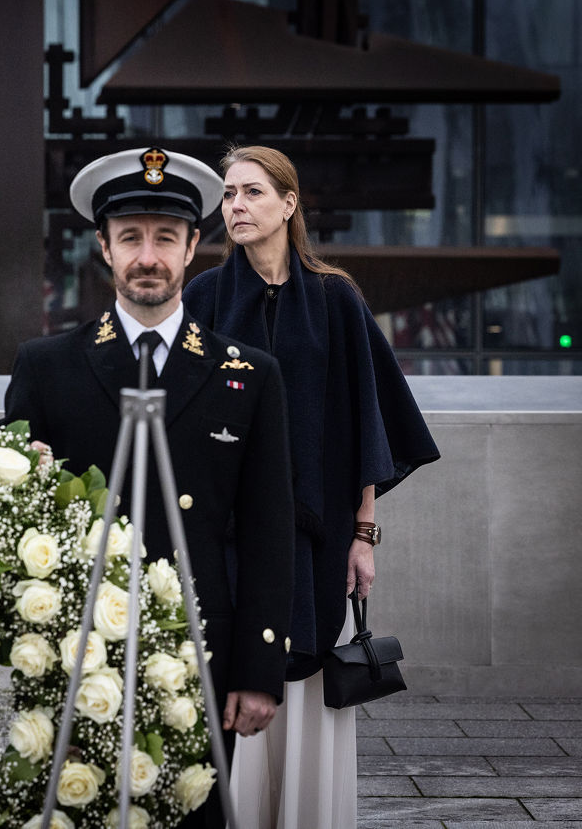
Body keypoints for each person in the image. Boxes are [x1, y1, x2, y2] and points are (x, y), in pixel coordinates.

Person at [3, 146, 296, 828]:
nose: (148, 256)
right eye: (130, 237)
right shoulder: (47, 366)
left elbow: (267, 530)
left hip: (200, 654)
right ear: (104, 248)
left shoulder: (249, 376)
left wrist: (258, 669)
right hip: (71, 652)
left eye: (166, 238)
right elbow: (18, 525)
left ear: (194, 246)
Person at [183, 145, 440, 828]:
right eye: (229, 195)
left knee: (307, 667)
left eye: (252, 193)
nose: (235, 206)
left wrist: (364, 535)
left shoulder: (334, 298)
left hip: (317, 535)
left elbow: (369, 425)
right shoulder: (203, 297)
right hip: (226, 535)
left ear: (289, 205)